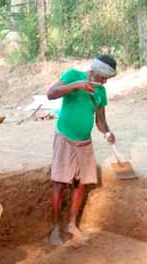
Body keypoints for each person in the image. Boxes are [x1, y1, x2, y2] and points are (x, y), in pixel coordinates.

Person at [46, 54, 118, 245]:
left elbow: (100, 120)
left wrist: (107, 133)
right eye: (102, 77)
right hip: (65, 137)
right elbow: (51, 93)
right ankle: (55, 227)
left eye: (106, 79)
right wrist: (76, 86)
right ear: (94, 70)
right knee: (59, 183)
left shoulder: (100, 91)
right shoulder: (72, 75)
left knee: (82, 183)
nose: (104, 81)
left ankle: (72, 224)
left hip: (84, 142)